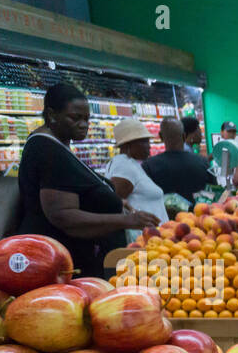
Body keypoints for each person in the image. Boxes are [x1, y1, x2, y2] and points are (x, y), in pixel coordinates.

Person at [16, 83, 156, 277]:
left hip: (67, 260)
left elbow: (71, 191)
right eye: (75, 118)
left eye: (87, 119)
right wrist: (127, 220)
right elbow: (63, 215)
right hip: (62, 264)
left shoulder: (54, 145)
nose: (83, 124)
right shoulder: (49, 151)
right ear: (52, 115)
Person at [105, 119, 168, 240]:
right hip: (145, 241)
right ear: (129, 144)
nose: (149, 146)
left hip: (151, 239)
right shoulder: (124, 166)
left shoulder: (128, 164)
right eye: (145, 141)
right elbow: (115, 203)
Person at [143, 118, 216, 204]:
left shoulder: (149, 166)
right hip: (197, 215)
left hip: (164, 216)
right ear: (184, 136)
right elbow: (214, 193)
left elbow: (146, 198)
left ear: (161, 137)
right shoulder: (203, 163)